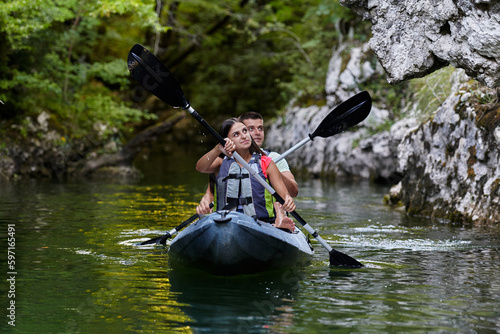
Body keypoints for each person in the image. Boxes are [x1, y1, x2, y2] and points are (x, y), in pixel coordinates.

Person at [195, 118, 295, 231]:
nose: (243, 136)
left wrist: (288, 200)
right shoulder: (220, 163)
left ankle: (280, 220)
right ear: (227, 140)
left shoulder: (266, 163)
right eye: (236, 134)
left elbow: (284, 195)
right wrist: (218, 148)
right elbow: (200, 167)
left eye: (245, 131)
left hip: (260, 224)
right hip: (224, 221)